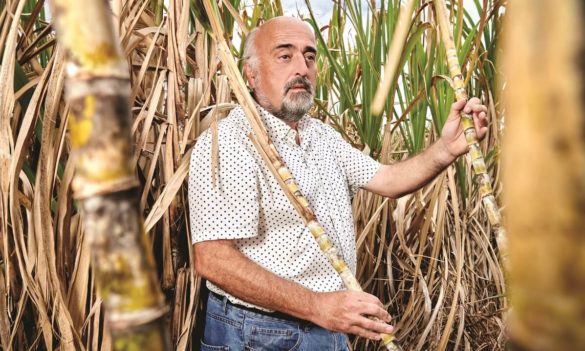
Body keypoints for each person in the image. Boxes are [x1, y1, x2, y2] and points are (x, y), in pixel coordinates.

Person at [188, 16, 488, 350]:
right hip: (257, 334)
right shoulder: (230, 141)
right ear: (251, 73)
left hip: (326, 326)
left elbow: (388, 179)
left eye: (310, 56)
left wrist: (446, 149)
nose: (302, 67)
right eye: (285, 56)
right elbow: (213, 259)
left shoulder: (321, 136)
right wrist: (318, 307)